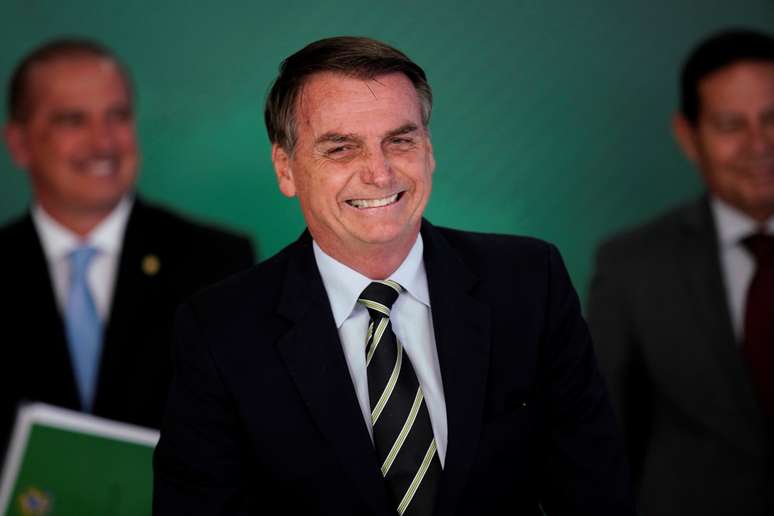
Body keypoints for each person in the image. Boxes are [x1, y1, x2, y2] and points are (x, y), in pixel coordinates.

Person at [153, 36, 634, 516]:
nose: (380, 173)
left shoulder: (530, 283)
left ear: (429, 149)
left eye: (400, 141)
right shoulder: (220, 330)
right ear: (286, 169)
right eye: (341, 148)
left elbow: (597, 496)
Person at [0, 38, 255, 454]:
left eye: (117, 116)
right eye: (73, 120)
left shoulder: (216, 262)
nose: (103, 143)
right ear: (20, 143)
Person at [587, 29, 774, 516]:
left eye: (773, 118)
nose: (760, 145)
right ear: (689, 136)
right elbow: (603, 447)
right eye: (732, 125)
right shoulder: (630, 266)